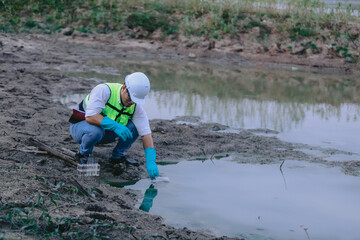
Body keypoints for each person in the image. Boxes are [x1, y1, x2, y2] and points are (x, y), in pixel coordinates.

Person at [69, 72, 159, 179]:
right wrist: (115, 126)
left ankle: (117, 157)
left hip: (105, 133)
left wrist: (151, 161)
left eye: (135, 101)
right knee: (96, 131)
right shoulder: (104, 91)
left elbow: (146, 134)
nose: (132, 103)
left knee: (135, 127)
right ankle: (84, 155)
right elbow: (90, 117)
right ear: (124, 88)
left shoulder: (135, 107)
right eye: (130, 98)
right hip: (82, 129)